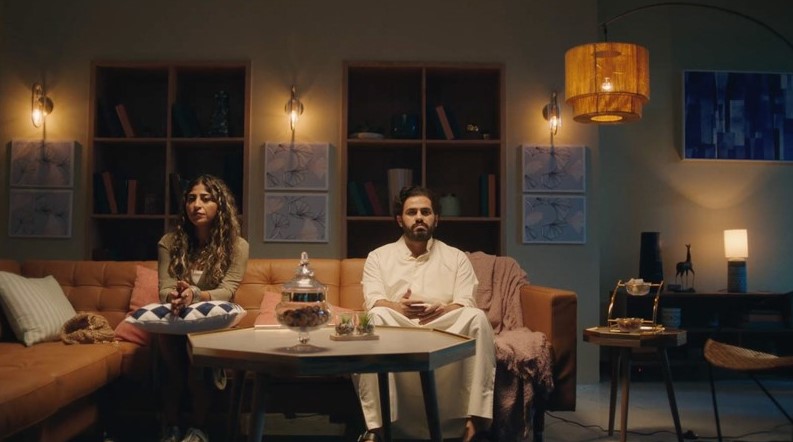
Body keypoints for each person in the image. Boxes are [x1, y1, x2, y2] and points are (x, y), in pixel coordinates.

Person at [354, 186, 496, 442]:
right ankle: (377, 429)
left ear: (435, 219)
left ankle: (474, 425)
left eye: (425, 212)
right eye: (412, 212)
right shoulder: (378, 257)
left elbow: (465, 300)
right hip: (397, 329)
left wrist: (442, 307)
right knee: (374, 318)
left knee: (476, 317)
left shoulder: (456, 257)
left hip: (442, 328)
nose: (419, 217)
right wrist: (398, 308)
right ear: (400, 220)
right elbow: (373, 301)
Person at [157, 174, 249, 442]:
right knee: (171, 353)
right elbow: (164, 288)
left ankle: (199, 429)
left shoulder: (237, 246)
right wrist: (176, 296)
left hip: (213, 317)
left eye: (205, 199)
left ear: (220, 205)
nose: (196, 205)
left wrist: (195, 294)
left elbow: (227, 290)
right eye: (191, 199)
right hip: (176, 314)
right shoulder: (169, 242)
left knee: (198, 362)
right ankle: (172, 428)